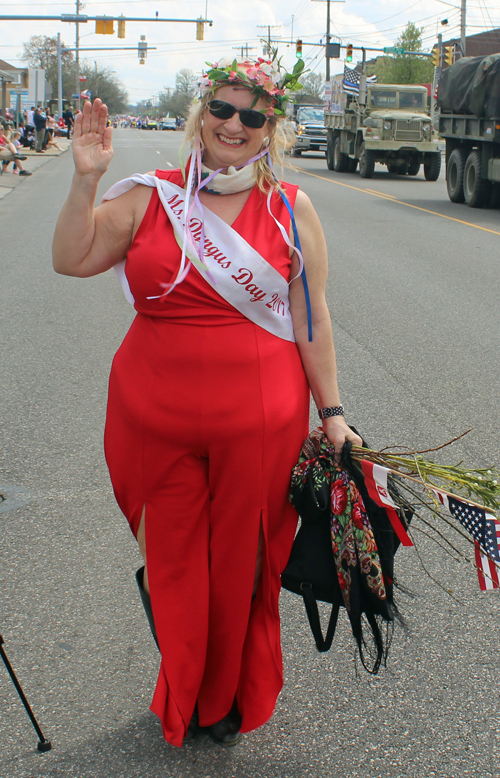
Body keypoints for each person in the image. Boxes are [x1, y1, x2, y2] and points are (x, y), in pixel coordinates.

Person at [52, 55, 362, 748]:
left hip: (260, 417)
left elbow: (311, 317)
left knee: (242, 564)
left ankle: (219, 698)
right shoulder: (149, 196)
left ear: (269, 130)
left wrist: (333, 414)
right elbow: (71, 258)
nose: (233, 124)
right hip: (148, 419)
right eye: (222, 109)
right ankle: (183, 683)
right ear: (201, 115)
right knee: (175, 560)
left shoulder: (290, 208)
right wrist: (85, 180)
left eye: (252, 116)